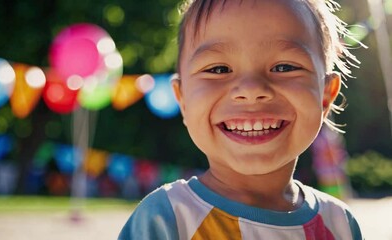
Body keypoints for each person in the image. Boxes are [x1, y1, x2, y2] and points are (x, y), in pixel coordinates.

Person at [119, 0, 364, 239]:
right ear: (183, 100)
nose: (251, 89)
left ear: (326, 96)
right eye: (218, 69)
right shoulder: (167, 218)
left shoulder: (339, 224)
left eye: (284, 67)